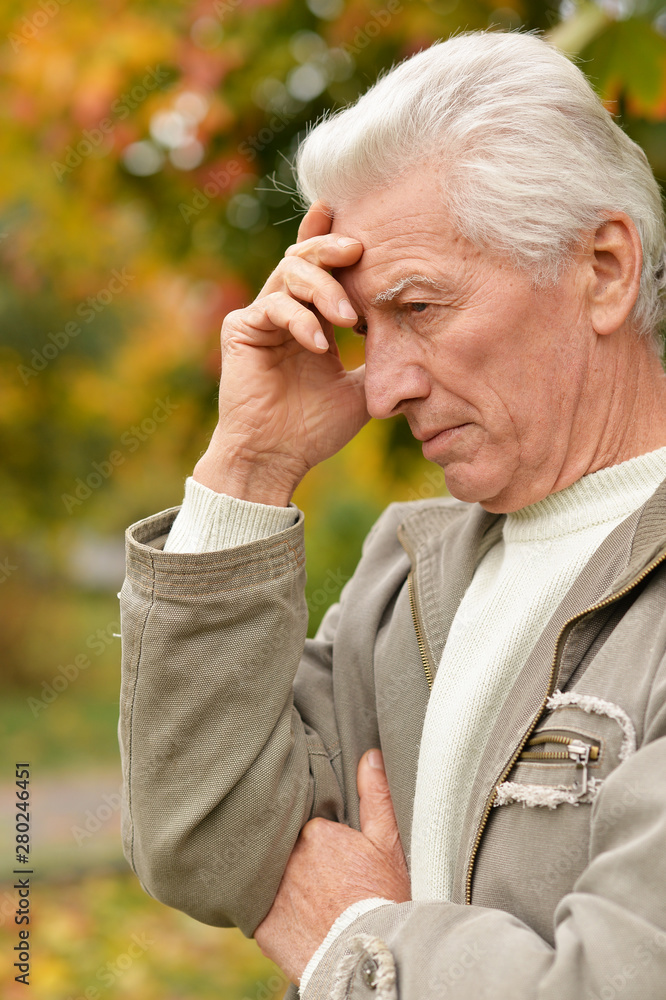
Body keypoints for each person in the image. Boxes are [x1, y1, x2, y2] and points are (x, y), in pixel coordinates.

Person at [119, 30, 666, 1000]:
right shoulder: (406, 578)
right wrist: (251, 463)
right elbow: (200, 838)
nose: (382, 388)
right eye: (367, 325)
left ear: (604, 268)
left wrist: (359, 941)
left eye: (419, 308)